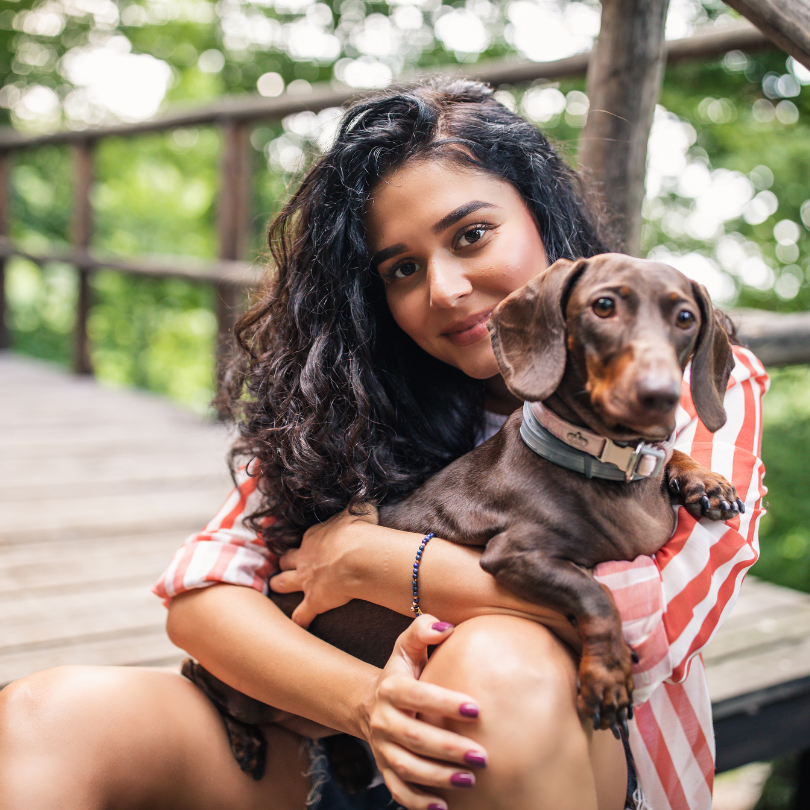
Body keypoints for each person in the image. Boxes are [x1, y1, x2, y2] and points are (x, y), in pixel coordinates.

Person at [0, 80, 767, 810]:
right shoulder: (357, 397)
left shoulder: (676, 375)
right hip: (334, 749)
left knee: (496, 663)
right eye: (402, 269)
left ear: (541, 216)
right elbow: (201, 599)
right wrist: (369, 703)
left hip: (555, 763)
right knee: (44, 714)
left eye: (472, 235)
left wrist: (373, 560)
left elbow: (649, 628)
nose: (445, 289)